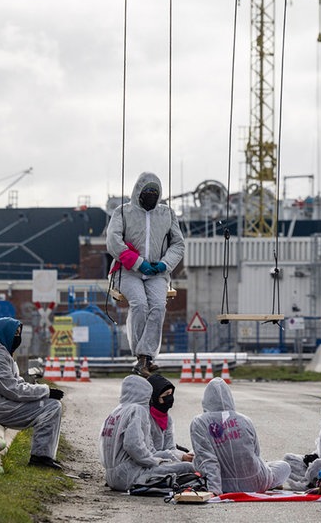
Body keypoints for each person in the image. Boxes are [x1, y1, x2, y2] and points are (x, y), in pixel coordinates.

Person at [106, 171, 185, 377]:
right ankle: (140, 356)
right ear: (138, 191)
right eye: (147, 190)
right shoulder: (122, 212)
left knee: (158, 307)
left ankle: (146, 357)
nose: (150, 194)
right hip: (128, 271)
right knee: (139, 305)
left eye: (154, 191)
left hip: (157, 273)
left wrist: (164, 264)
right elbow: (114, 242)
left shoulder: (167, 214)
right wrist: (138, 263)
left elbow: (178, 244)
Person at [0, 317, 64, 470]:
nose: (18, 338)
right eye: (15, 334)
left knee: (52, 405)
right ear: (5, 334)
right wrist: (45, 391)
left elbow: (17, 384)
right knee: (50, 407)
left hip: (0, 403)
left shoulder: (1, 353)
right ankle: (40, 458)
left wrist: (43, 392)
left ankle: (44, 456)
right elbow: (11, 389)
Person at [189, 378, 291, 495]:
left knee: (196, 459)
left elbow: (208, 460)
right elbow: (256, 453)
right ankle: (272, 483)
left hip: (223, 483)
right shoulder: (245, 420)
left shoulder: (200, 422)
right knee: (284, 466)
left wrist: (215, 490)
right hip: (256, 482)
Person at [99, 375, 196, 491]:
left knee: (179, 465)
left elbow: (149, 450)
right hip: (131, 475)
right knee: (188, 468)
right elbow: (133, 445)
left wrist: (173, 457)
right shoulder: (137, 410)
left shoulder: (118, 411)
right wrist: (154, 462)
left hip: (113, 477)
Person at [146, 375, 193, 464]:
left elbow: (170, 447)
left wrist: (184, 456)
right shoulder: (145, 418)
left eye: (171, 394)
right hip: (149, 462)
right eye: (166, 394)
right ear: (154, 397)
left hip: (163, 459)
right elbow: (150, 453)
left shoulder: (167, 419)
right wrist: (182, 457)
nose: (170, 398)